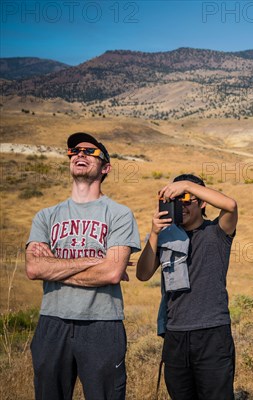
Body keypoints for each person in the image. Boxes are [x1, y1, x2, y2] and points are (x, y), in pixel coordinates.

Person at [25, 132, 141, 399]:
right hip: (52, 321)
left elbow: (112, 273)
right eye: (75, 151)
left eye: (90, 152)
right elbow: (33, 268)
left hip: (102, 324)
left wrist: (53, 265)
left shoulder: (119, 214)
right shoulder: (46, 216)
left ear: (105, 167)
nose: (80, 154)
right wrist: (95, 260)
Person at [136, 174, 238, 400]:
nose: (180, 205)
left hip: (212, 333)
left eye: (187, 199)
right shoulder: (166, 237)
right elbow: (142, 274)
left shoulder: (217, 232)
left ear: (202, 203)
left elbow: (230, 205)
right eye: (175, 200)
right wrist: (154, 233)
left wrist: (186, 185)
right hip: (176, 334)